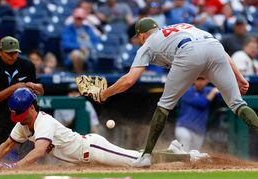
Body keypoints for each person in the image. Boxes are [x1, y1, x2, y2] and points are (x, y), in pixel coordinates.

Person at [92, 17, 258, 166]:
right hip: (216, 49)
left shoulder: (147, 44)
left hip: (188, 52)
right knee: (237, 104)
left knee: (164, 106)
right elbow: (219, 50)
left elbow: (129, 80)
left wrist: (105, 93)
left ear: (141, 35)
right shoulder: (184, 25)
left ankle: (145, 157)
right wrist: (239, 77)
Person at [0, 88, 145, 168]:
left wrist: (15, 166)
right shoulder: (23, 125)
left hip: (93, 148)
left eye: (22, 115)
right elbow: (7, 146)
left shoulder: (44, 122)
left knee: (137, 162)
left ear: (32, 108)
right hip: (82, 162)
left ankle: (154, 157)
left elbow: (39, 151)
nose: (20, 120)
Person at [0, 36, 44, 158]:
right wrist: (14, 88)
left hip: (18, 112)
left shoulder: (27, 65)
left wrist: (36, 87)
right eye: (9, 53)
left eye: (15, 53)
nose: (13, 56)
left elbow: (40, 91)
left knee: (25, 150)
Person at [175, 77, 219, 152]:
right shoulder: (187, 91)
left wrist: (220, 89)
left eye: (202, 79)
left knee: (193, 155)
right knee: (185, 151)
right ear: (194, 80)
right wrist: (214, 92)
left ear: (207, 81)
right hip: (184, 128)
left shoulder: (208, 90)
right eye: (198, 79)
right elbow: (203, 103)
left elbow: (223, 96)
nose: (200, 82)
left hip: (199, 132)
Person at [61, 8, 99, 73]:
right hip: (73, 53)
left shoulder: (88, 29)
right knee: (76, 55)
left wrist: (89, 48)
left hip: (89, 52)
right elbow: (65, 44)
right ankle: (80, 76)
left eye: (80, 19)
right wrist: (79, 47)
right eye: (77, 18)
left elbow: (95, 41)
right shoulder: (68, 30)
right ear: (74, 18)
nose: (78, 20)